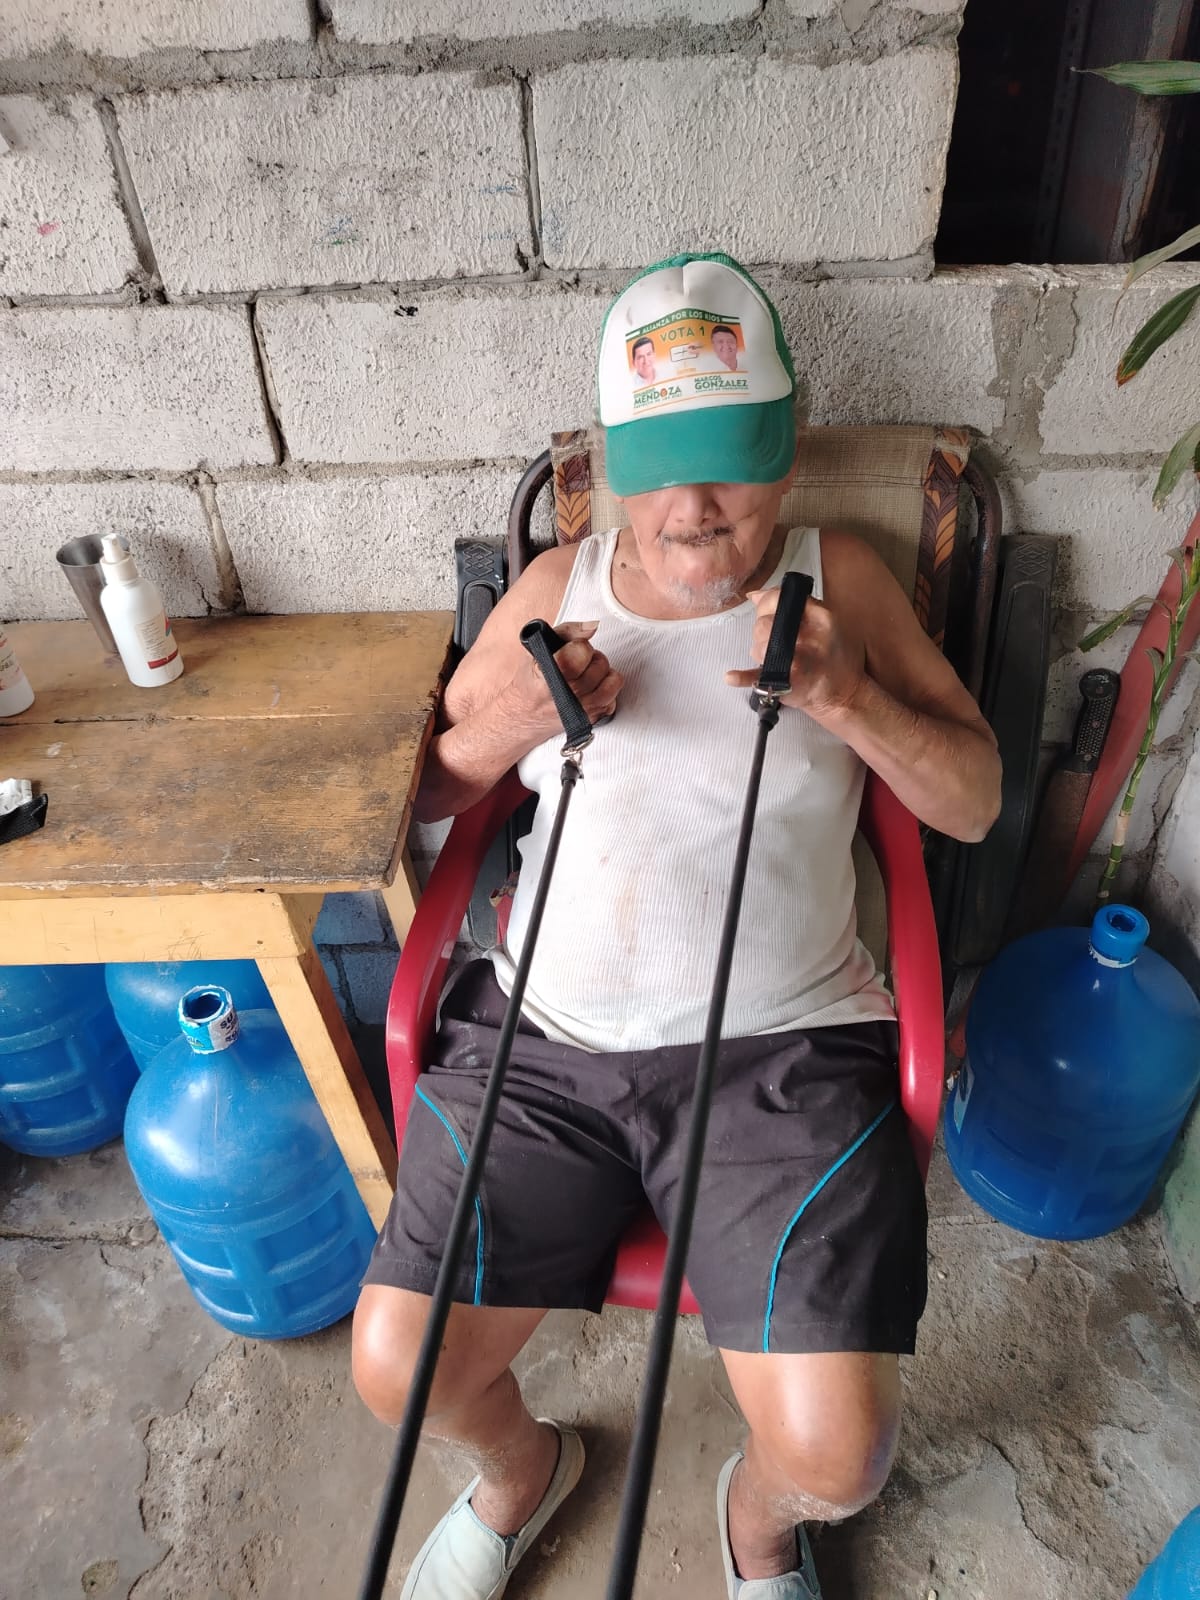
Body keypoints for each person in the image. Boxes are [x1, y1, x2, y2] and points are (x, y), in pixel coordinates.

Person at [352, 251, 1001, 1600]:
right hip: (543, 1046)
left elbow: (978, 800)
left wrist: (849, 698)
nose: (696, 514)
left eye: (732, 470)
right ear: (610, 469)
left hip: (784, 1057)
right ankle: (520, 1474)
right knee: (398, 1373)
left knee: (840, 1457)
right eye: (659, 475)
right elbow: (422, 798)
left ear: (785, 456)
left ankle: (760, 1529)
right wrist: (501, 725)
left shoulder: (843, 578)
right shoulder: (557, 587)